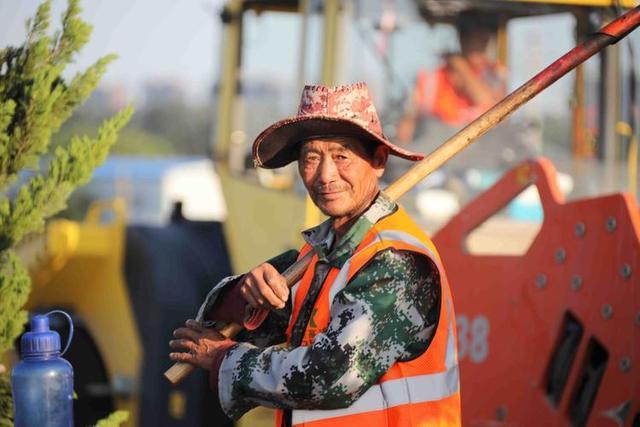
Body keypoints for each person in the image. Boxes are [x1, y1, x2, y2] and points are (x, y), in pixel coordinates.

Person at [169, 82, 461, 426]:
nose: (325, 175)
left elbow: (331, 376)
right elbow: (226, 327)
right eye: (311, 158)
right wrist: (243, 295)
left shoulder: (396, 260)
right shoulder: (317, 255)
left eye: (341, 156)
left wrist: (224, 359)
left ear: (378, 160)